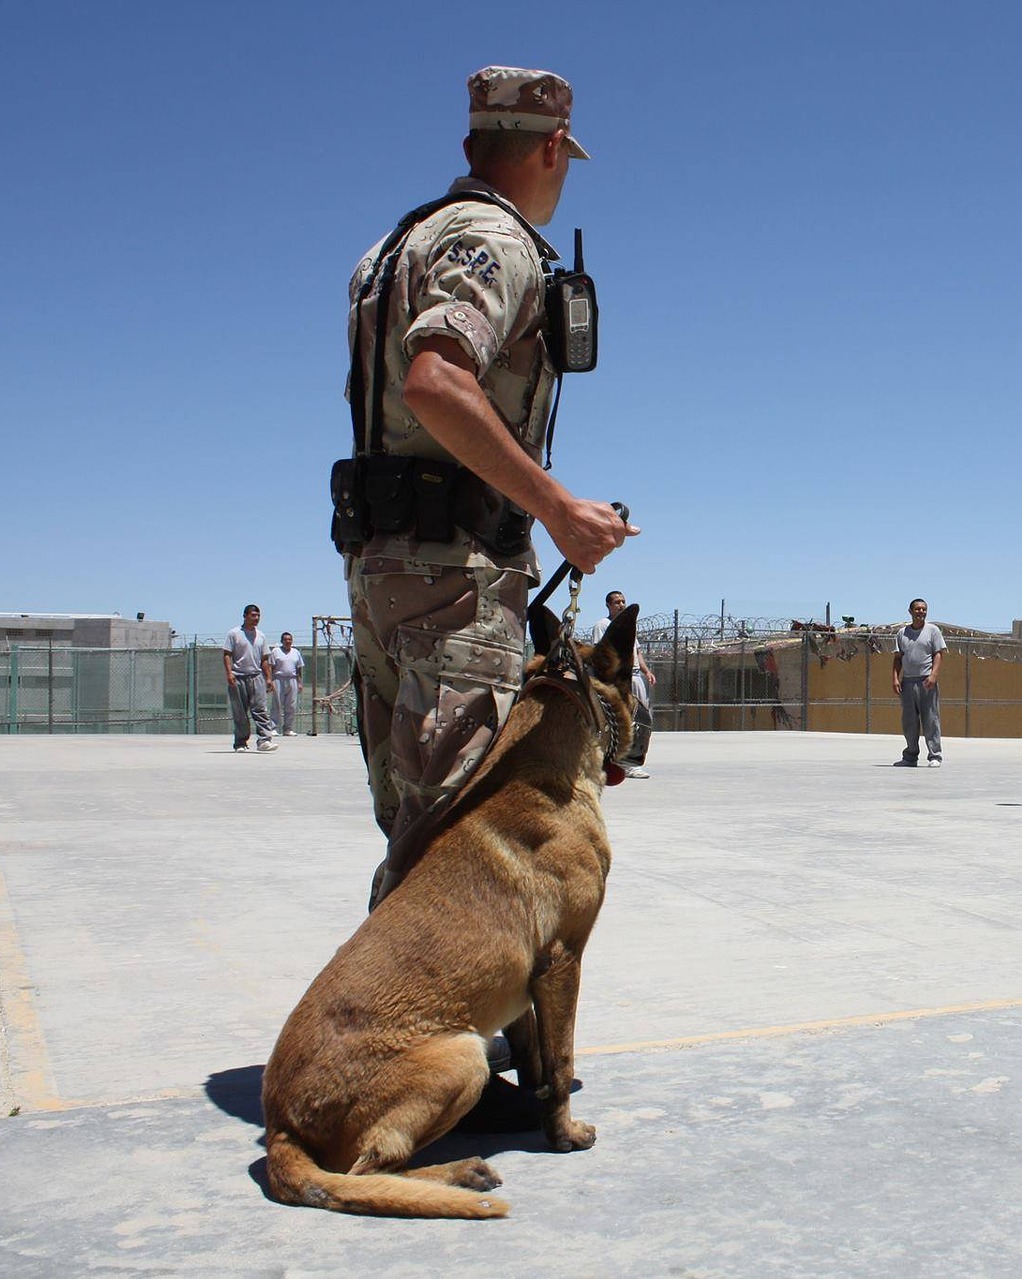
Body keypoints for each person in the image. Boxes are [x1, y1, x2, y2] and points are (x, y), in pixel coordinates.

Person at [340, 65, 634, 905]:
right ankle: (409, 1025)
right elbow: (437, 381)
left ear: (472, 144)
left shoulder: (392, 249)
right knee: (459, 832)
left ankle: (384, 1020)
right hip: (452, 577)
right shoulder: (492, 244)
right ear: (552, 148)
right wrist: (560, 507)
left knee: (415, 826)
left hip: (383, 564)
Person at [588, 590, 654, 779]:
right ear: (608, 605)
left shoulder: (629, 626)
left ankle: (632, 761)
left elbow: (637, 652)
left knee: (640, 718)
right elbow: (600, 652)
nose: (621, 605)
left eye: (623, 601)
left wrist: (646, 671)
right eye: (617, 602)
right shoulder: (602, 625)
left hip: (634, 677)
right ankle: (618, 761)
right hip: (617, 679)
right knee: (618, 719)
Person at [892, 598, 945, 767]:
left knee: (931, 720)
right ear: (910, 611)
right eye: (917, 609)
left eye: (924, 609)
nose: (921, 612)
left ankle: (934, 756)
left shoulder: (933, 631)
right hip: (908, 682)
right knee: (909, 721)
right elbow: (898, 658)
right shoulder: (902, 633)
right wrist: (895, 678)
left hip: (927, 682)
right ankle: (910, 757)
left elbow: (938, 654)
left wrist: (933, 675)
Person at [222, 605, 278, 753]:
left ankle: (264, 740)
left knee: (260, 709)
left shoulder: (261, 636)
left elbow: (264, 659)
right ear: (245, 616)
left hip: (256, 676)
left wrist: (269, 678)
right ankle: (240, 742)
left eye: (258, 616)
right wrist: (229, 673)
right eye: (253, 615)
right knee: (240, 712)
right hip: (238, 677)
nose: (256, 619)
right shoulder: (234, 634)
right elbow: (227, 654)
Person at [267, 632, 305, 737]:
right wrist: (270, 680)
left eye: (289, 639)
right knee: (277, 704)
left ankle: (288, 729)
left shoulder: (296, 652)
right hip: (278, 679)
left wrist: (300, 683)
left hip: (292, 680)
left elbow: (299, 669)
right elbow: (270, 667)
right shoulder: (276, 651)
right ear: (282, 641)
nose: (288, 641)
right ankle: (273, 728)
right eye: (285, 640)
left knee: (291, 706)